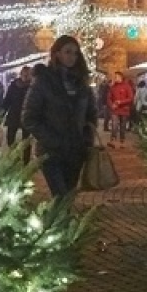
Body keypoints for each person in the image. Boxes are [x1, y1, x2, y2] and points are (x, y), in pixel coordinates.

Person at [22, 36, 96, 199]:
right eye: (67, 52)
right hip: (51, 152)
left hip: (76, 151)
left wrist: (86, 139)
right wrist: (52, 140)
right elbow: (29, 117)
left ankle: (62, 216)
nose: (72, 57)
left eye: (75, 53)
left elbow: (91, 114)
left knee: (68, 197)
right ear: (57, 54)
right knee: (61, 196)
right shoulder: (44, 81)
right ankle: (58, 216)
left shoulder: (81, 83)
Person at [1, 65, 34, 158]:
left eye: (28, 74)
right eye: (24, 74)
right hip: (14, 115)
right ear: (21, 74)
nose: (26, 76)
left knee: (26, 141)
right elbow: (8, 100)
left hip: (27, 116)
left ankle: (26, 161)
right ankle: (13, 158)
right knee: (10, 138)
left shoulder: (33, 87)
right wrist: (2, 112)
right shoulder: (14, 85)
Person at [107, 71, 135, 148]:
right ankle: (113, 140)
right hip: (115, 109)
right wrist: (111, 105)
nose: (115, 78)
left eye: (116, 76)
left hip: (124, 109)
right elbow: (109, 98)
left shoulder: (127, 86)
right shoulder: (113, 87)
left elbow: (130, 98)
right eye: (114, 77)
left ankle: (122, 140)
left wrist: (121, 102)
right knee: (114, 124)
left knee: (123, 126)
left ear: (121, 77)